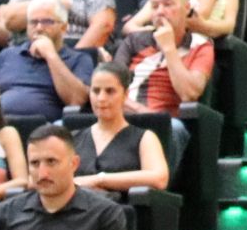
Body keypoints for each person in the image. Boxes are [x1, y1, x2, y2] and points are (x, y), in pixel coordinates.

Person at [114, 0, 215, 161]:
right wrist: (142, 112)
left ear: (186, 8)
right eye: (155, 6)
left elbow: (189, 93)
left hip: (164, 124)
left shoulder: (201, 45)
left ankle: (158, 178)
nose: (160, 11)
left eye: (168, 4)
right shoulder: (134, 41)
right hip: (123, 116)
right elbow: (111, 86)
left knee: (175, 128)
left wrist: (169, 48)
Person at [0, 0, 97, 122]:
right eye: (33, 22)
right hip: (2, 125)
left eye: (47, 22)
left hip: (49, 128)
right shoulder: (7, 55)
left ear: (64, 27)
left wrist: (51, 55)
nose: (39, 28)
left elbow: (76, 100)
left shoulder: (79, 59)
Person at [73, 63, 173, 194]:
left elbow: (159, 178)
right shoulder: (72, 138)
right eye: (96, 91)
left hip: (122, 206)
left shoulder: (144, 138)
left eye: (110, 91)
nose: (101, 98)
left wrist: (99, 179)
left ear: (125, 94)